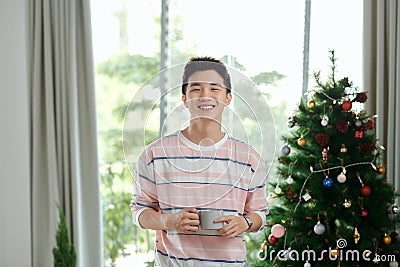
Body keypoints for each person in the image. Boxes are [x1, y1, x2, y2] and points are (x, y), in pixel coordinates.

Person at [130, 56, 269, 266]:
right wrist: (170, 221)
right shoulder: (155, 155)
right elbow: (139, 211)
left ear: (228, 98)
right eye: (196, 89)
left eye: (214, 89)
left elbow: (259, 214)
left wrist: (244, 222)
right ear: (184, 99)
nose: (205, 96)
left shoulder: (249, 158)